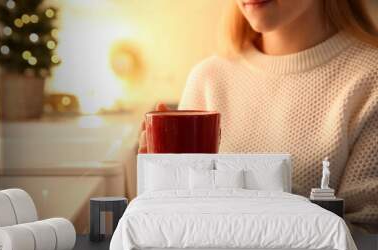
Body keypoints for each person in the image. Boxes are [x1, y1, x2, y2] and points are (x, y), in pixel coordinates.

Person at [139, 0, 378, 229]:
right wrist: (159, 186)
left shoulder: (370, 80)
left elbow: (367, 245)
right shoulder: (207, 79)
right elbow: (179, 223)